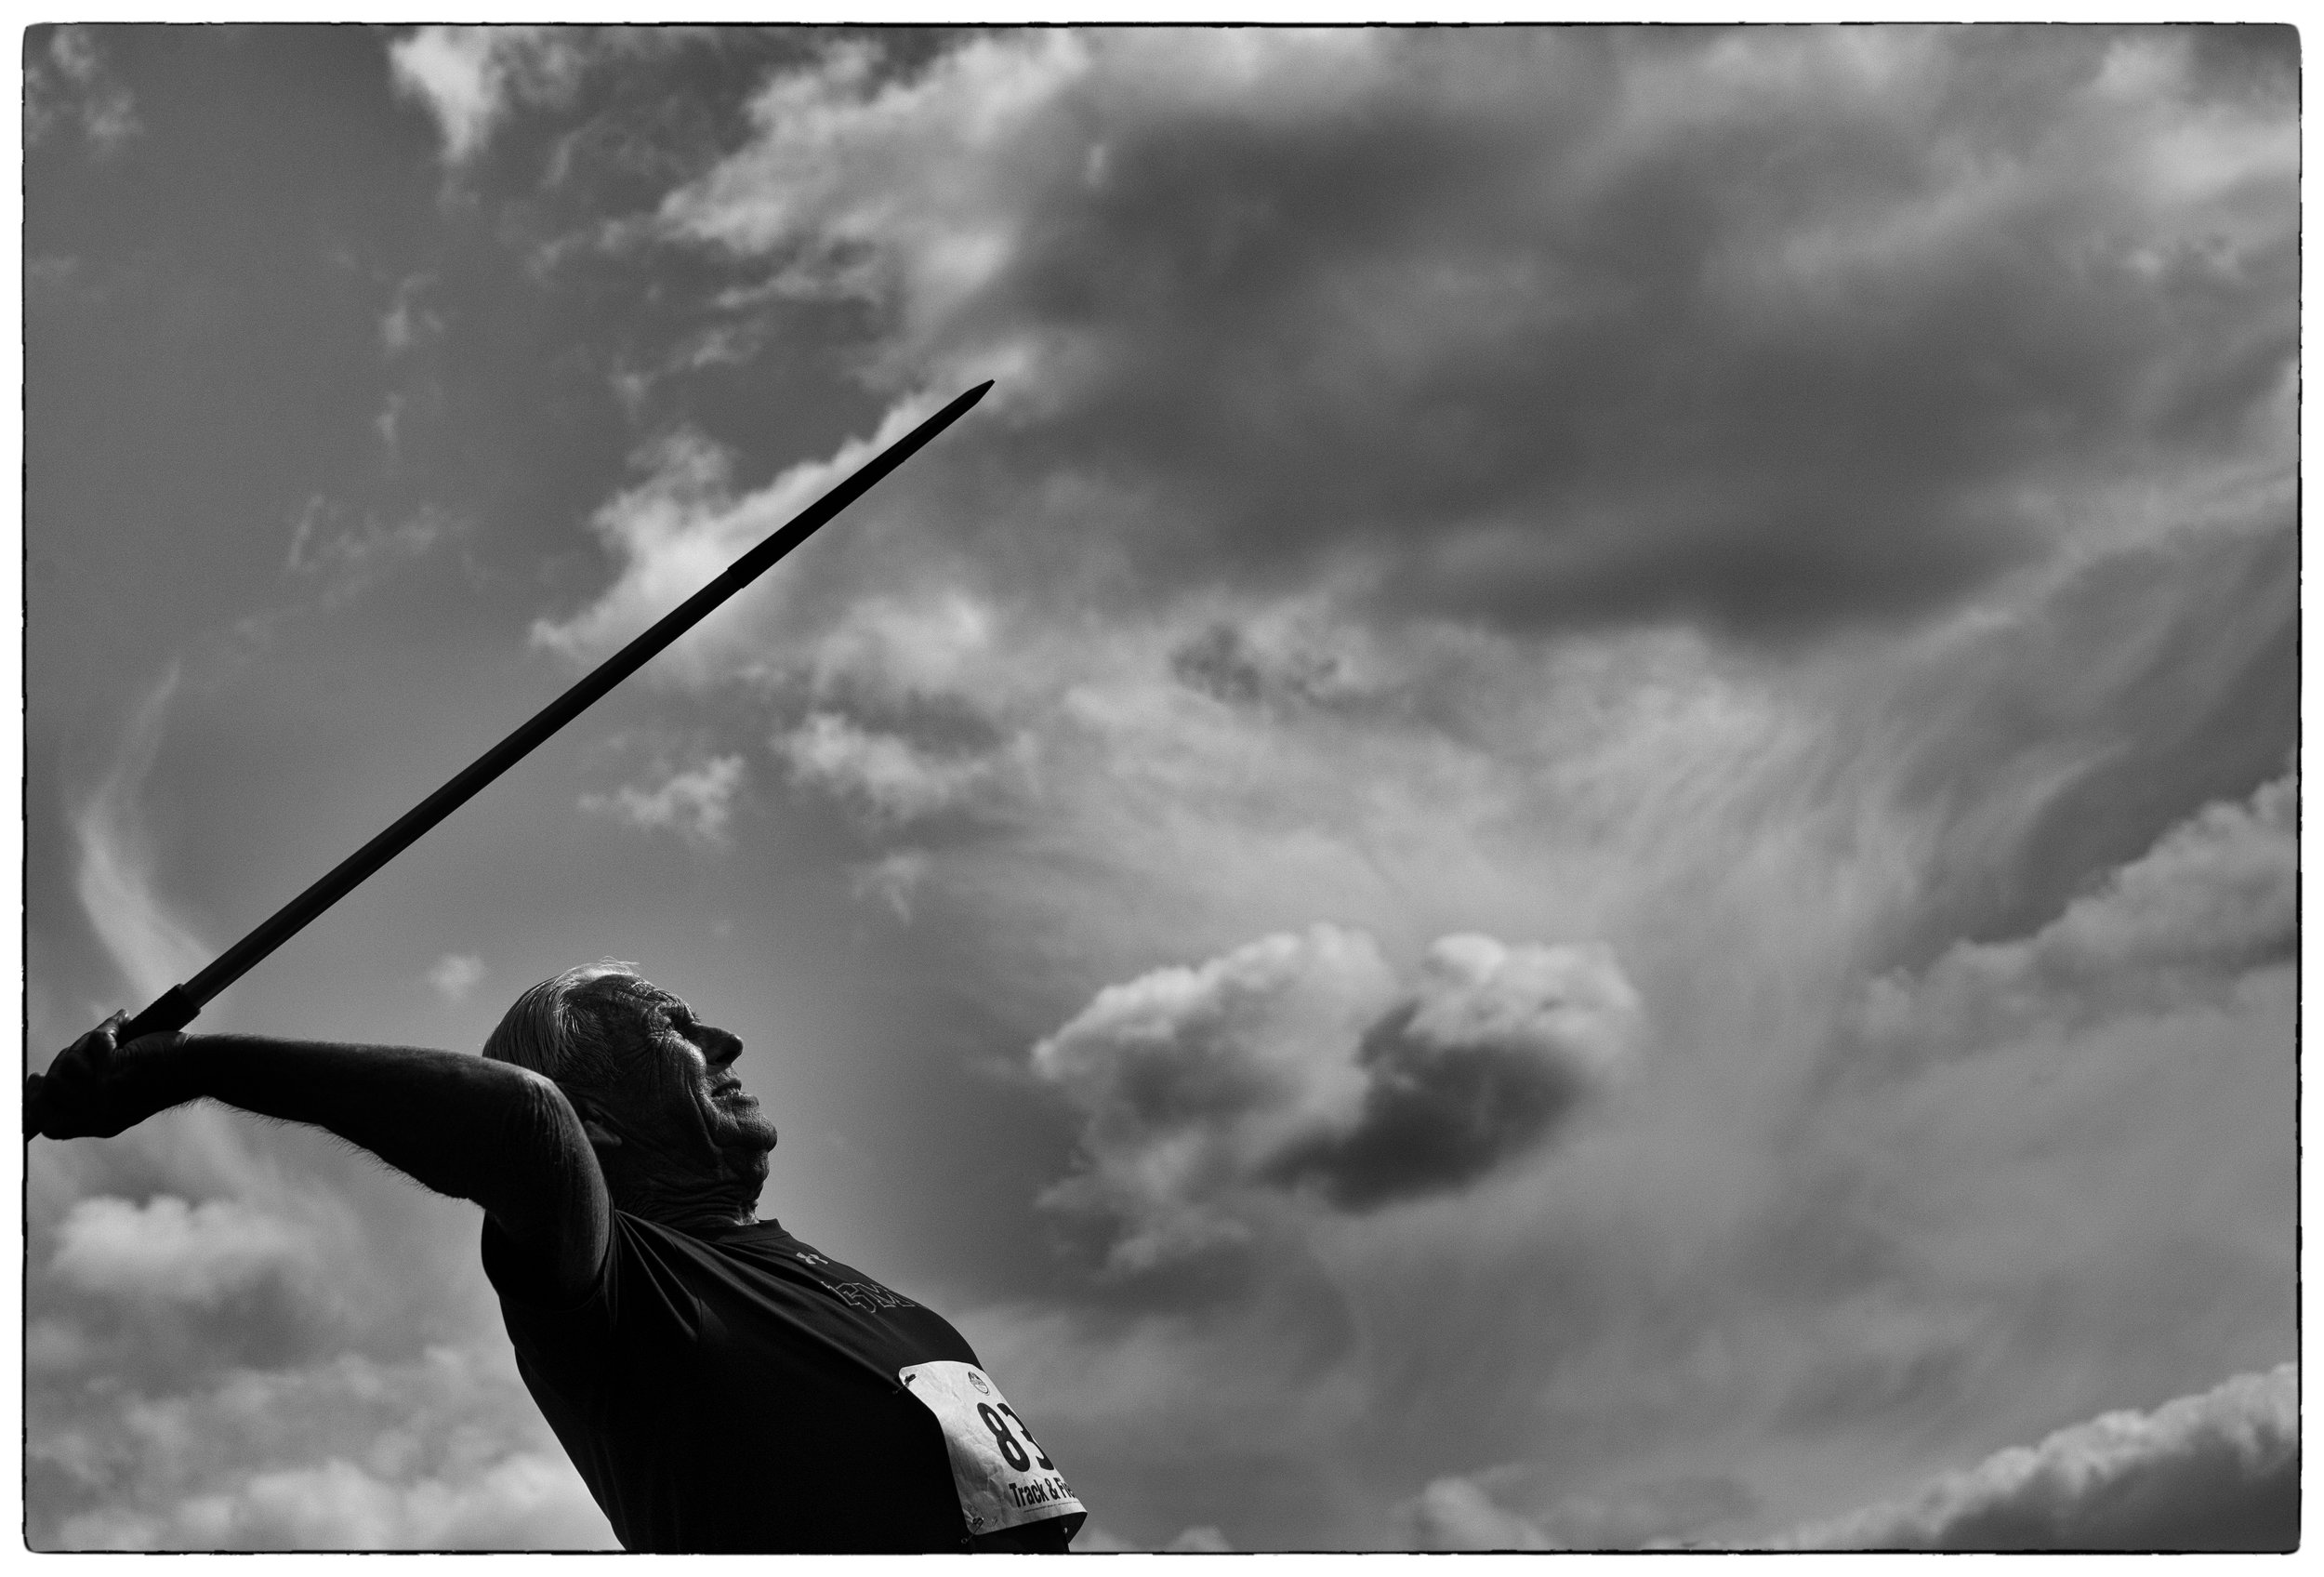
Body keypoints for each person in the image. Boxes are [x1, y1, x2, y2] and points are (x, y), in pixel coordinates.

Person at [27, 961, 1085, 1553]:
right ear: (599, 1123)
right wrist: (185, 1068)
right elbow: (521, 1122)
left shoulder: (896, 1308)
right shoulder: (612, 1282)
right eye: (677, 1026)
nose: (726, 1045)